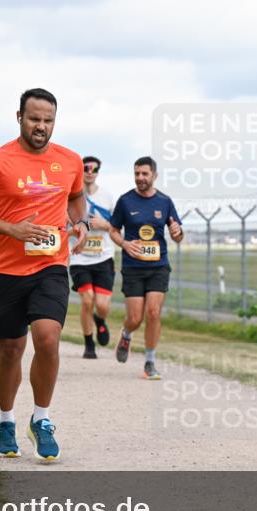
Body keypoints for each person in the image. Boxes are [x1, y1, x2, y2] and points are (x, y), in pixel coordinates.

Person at [0, 87, 88, 462]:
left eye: (48, 121)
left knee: (47, 339)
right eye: (34, 119)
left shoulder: (70, 160)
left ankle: (42, 419)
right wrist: (10, 229)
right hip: (6, 268)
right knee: (11, 349)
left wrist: (79, 223)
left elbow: (75, 197)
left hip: (51, 265)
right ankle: (5, 420)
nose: (41, 127)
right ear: (19, 118)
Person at [109, 156, 184, 380]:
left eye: (144, 174)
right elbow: (113, 230)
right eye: (137, 174)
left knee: (153, 312)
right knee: (135, 318)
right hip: (133, 267)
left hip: (158, 266)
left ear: (154, 176)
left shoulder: (164, 201)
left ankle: (150, 361)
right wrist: (123, 243)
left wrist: (176, 233)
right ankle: (126, 334)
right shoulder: (125, 201)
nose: (140, 178)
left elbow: (178, 234)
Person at [68, 156, 117, 359]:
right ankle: (89, 344)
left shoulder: (107, 197)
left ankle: (100, 320)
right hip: (80, 258)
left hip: (104, 256)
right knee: (87, 301)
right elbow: (64, 228)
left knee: (102, 305)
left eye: (94, 168)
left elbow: (115, 227)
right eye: (85, 168)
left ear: (98, 172)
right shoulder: (71, 196)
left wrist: (102, 225)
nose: (89, 171)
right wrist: (81, 228)